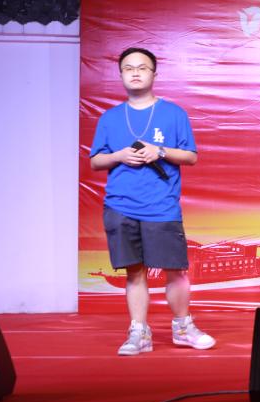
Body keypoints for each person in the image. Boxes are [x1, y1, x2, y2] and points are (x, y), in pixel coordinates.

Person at [89, 47, 216, 355]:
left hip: (162, 205)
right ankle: (139, 332)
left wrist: (159, 151)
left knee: (176, 270)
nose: (135, 72)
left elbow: (191, 156)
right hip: (120, 206)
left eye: (142, 68)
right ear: (121, 75)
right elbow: (95, 161)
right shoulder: (109, 118)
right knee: (134, 272)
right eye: (128, 68)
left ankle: (183, 328)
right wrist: (120, 155)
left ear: (154, 74)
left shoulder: (174, 113)